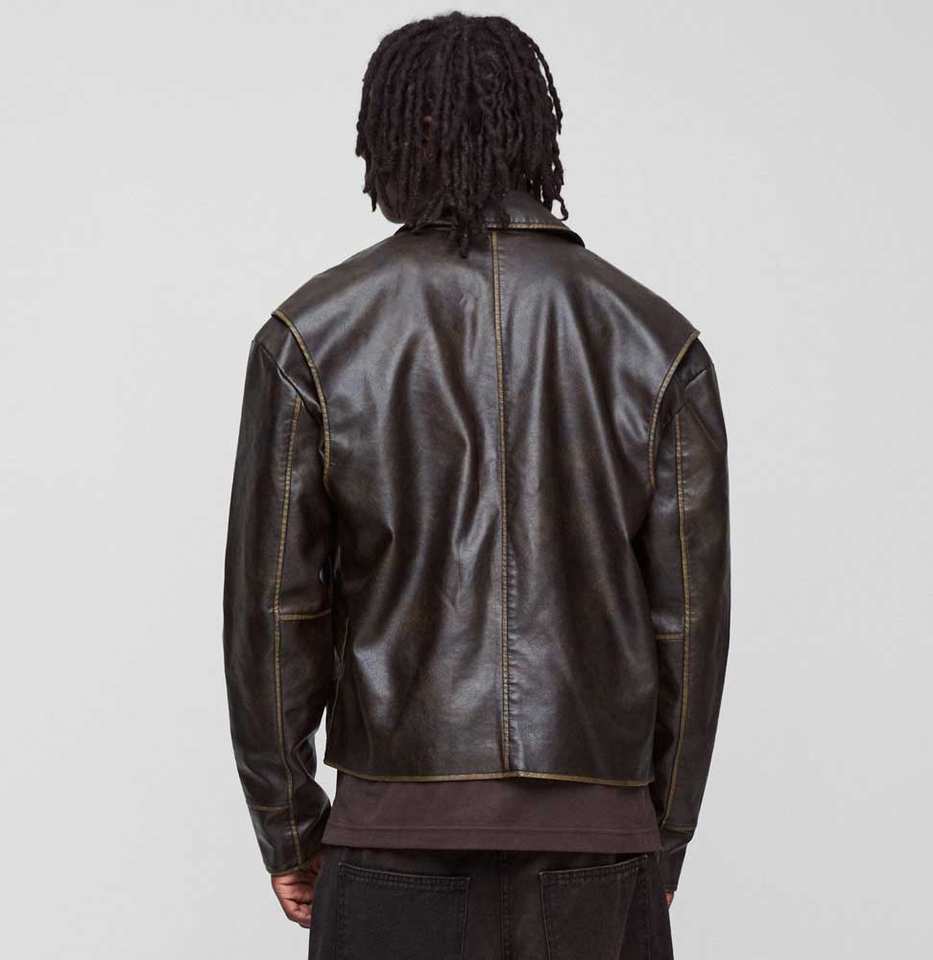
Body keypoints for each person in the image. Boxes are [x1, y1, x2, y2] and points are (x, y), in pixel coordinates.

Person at [222, 11, 731, 959]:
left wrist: (289, 828)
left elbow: (275, 611)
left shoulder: (312, 336)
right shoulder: (657, 341)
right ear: (532, 133)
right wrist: (659, 830)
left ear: (393, 135)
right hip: (598, 844)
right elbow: (690, 624)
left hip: (389, 839)